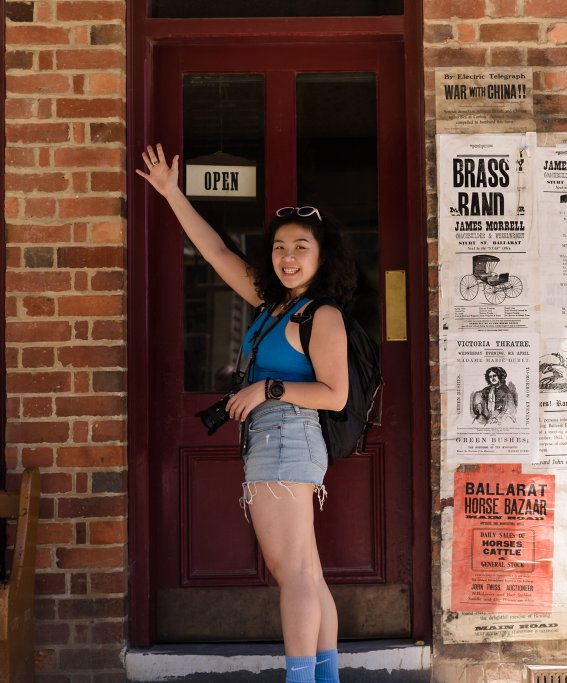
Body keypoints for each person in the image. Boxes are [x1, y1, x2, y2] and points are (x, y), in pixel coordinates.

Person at [137, 143, 351, 683]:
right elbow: (213, 252)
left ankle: (302, 679)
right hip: (276, 442)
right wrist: (170, 193)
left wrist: (268, 389)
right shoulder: (273, 304)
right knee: (307, 573)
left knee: (295, 574)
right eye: (280, 246)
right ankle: (324, 679)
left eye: (302, 246)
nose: (289, 256)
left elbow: (335, 395)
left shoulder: (321, 314)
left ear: (322, 257)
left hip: (288, 440)